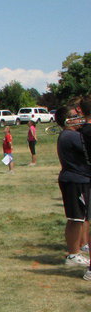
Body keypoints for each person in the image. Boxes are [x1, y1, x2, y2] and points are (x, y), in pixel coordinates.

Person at [54, 106, 91, 268]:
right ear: (68, 120)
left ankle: (78, 249)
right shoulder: (70, 135)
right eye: (76, 116)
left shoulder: (72, 134)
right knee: (76, 218)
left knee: (80, 217)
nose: (80, 118)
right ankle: (73, 254)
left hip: (79, 179)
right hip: (75, 180)